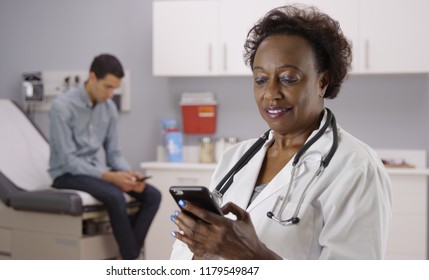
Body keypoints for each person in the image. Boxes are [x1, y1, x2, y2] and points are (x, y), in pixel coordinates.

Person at [170, 5, 392, 260]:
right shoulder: (234, 159)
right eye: (261, 79)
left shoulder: (355, 166)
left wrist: (250, 254)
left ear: (322, 81)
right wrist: (200, 249)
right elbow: (182, 259)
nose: (271, 93)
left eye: (288, 78)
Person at [48, 54, 161, 260]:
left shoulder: (109, 108)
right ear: (92, 78)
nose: (111, 94)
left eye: (115, 88)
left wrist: (128, 173)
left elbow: (114, 154)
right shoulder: (62, 107)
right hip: (66, 173)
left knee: (153, 195)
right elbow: (68, 159)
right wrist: (110, 177)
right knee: (114, 195)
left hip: (92, 172)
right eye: (107, 87)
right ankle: (131, 258)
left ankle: (128, 253)